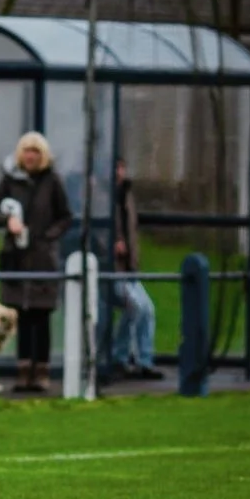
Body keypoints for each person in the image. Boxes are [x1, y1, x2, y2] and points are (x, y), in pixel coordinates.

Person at [0, 131, 73, 393]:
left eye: (35, 152)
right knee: (19, 316)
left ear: (43, 155)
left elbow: (65, 217)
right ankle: (23, 372)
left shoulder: (52, 182)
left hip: (42, 258)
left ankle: (42, 371)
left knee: (40, 315)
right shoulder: (10, 181)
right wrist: (7, 222)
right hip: (16, 257)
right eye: (26, 151)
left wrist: (47, 237)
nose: (31, 156)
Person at [106, 158, 164, 381]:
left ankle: (144, 361)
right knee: (135, 307)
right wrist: (112, 242)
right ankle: (120, 358)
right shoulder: (99, 194)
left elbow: (131, 230)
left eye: (120, 167)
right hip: (112, 268)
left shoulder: (126, 194)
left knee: (147, 309)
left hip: (128, 268)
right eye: (114, 167)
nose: (118, 172)